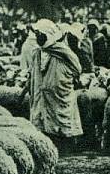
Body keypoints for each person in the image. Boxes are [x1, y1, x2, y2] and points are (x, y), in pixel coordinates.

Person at [27, 19, 83, 147]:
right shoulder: (37, 52)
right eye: (36, 35)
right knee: (43, 122)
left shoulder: (62, 51)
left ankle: (65, 146)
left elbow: (77, 68)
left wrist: (63, 75)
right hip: (42, 93)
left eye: (40, 35)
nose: (38, 38)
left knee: (60, 122)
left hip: (59, 93)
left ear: (48, 35)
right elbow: (33, 71)